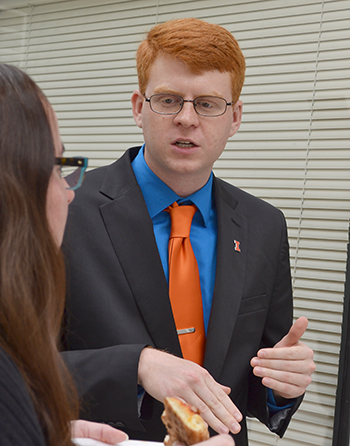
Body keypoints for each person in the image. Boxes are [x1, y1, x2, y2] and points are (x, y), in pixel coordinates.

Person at [62, 18, 315, 446]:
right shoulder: (63, 205)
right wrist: (136, 365)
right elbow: (14, 367)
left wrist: (281, 387)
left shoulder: (264, 225)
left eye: (208, 104)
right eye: (168, 100)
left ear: (234, 118)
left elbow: (253, 384)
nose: (186, 119)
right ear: (139, 107)